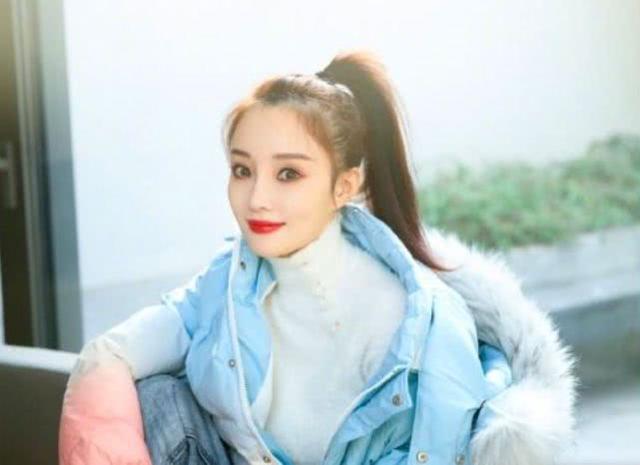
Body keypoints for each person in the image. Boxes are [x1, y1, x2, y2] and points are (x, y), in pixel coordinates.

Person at [58, 50, 577, 465]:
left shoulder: (417, 326)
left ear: (344, 186)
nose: (257, 198)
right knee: (151, 396)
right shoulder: (228, 281)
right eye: (242, 170)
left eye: (288, 174)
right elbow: (113, 355)